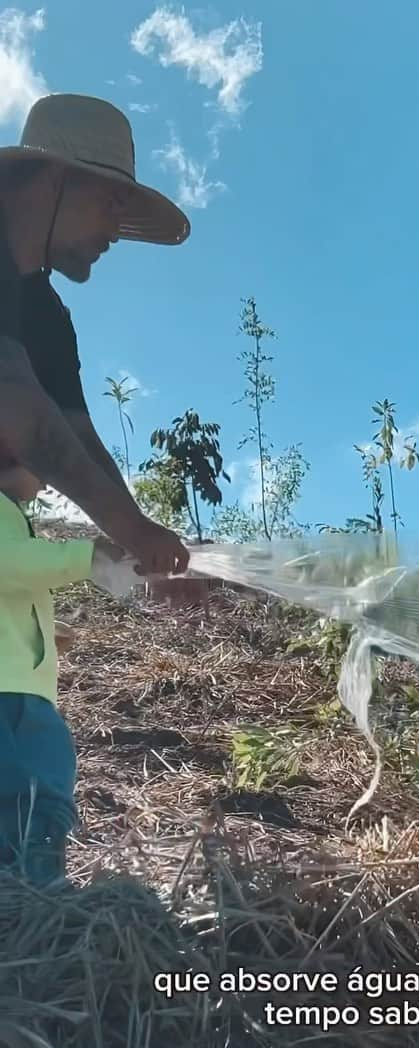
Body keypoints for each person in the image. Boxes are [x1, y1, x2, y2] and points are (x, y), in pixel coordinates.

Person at [0, 92, 191, 578]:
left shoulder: (47, 319)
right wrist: (132, 530)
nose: (115, 231)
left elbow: (78, 437)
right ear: (54, 179)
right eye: (111, 203)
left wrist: (144, 541)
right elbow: (23, 413)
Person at [0, 447, 127, 885]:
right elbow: (9, 564)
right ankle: (25, 889)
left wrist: (46, 630)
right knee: (23, 792)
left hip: (23, 689)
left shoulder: (13, 514)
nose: (48, 483)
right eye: (44, 466)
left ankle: (35, 888)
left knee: (44, 788)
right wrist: (84, 556)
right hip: (9, 690)